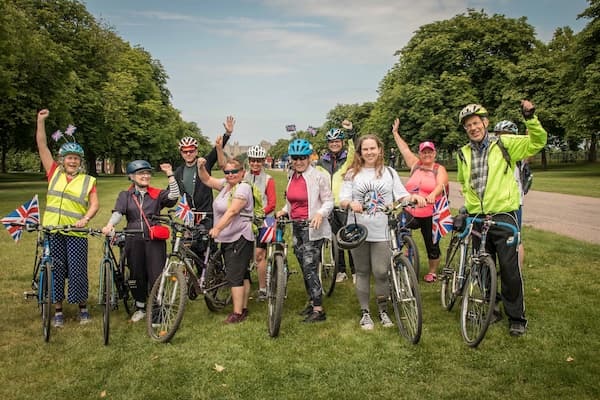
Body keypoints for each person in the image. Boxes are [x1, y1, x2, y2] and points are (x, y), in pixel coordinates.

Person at [457, 100, 547, 337]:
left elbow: (538, 142)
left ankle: (516, 317)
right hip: (477, 217)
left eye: (476, 123)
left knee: (509, 269)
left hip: (504, 214)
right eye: (468, 125)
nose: (473, 128)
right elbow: (466, 184)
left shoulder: (504, 143)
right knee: (483, 268)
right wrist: (466, 210)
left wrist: (530, 117)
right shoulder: (463, 153)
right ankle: (491, 309)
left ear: (485, 123)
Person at [339, 134, 426, 330]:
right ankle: (365, 312)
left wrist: (412, 198)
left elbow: (401, 195)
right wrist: (351, 203)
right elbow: (342, 199)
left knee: (380, 272)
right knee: (361, 272)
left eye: (373, 148)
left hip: (382, 230)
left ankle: (383, 309)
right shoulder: (352, 174)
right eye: (365, 149)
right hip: (358, 231)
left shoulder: (390, 173)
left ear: (379, 150)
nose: (369, 152)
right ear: (360, 152)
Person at [35, 109, 99, 327]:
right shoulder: (54, 172)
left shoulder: (88, 180)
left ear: (80, 162)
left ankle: (82, 308)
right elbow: (42, 146)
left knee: (78, 270)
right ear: (62, 160)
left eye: (76, 159)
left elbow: (95, 204)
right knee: (56, 270)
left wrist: (86, 219)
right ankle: (58, 311)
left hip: (76, 231)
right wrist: (40, 121)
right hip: (53, 230)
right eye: (69, 158)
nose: (73, 162)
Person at [101, 160, 179, 322]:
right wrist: (109, 225)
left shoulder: (157, 194)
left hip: (154, 239)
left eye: (147, 173)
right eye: (141, 173)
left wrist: (170, 175)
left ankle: (157, 310)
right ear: (132, 176)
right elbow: (118, 212)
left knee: (156, 273)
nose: (145, 176)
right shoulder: (125, 195)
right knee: (136, 274)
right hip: (133, 238)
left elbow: (174, 196)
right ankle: (141, 306)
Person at [277, 138, 333, 323]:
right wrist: (284, 210)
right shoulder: (292, 175)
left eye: (302, 158)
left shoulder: (318, 176)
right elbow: (290, 200)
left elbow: (329, 201)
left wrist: (320, 213)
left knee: (310, 266)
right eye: (295, 158)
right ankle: (311, 302)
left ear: (309, 158)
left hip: (312, 227)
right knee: (303, 266)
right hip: (296, 226)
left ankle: (319, 309)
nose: (298, 161)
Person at [197, 156, 254, 323]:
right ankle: (243, 308)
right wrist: (201, 167)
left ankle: (237, 313)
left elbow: (232, 211)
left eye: (234, 172)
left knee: (235, 276)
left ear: (242, 173)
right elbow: (207, 179)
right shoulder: (226, 185)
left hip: (239, 236)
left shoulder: (242, 188)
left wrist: (217, 229)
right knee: (242, 274)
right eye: (227, 172)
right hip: (229, 237)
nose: (230, 175)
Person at [391, 119, 450, 283]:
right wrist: (395, 133)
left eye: (430, 152)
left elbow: (442, 183)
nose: (427, 154)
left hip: (429, 211)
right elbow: (404, 149)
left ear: (434, 153)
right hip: (410, 210)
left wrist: (432, 195)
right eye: (424, 152)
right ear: (420, 153)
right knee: (396, 230)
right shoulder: (415, 165)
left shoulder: (439, 169)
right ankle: (400, 259)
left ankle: (432, 271)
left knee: (431, 244)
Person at [173, 116, 234, 255]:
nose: (188, 153)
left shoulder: (203, 163)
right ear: (181, 153)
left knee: (207, 248)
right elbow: (171, 192)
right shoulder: (179, 172)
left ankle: (214, 272)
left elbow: (216, 150)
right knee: (190, 247)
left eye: (191, 150)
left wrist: (227, 134)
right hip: (189, 215)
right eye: (185, 151)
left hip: (207, 213)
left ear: (196, 151)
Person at [315, 120, 357, 284]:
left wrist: (351, 133)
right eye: (332, 142)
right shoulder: (321, 162)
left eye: (337, 141)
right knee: (335, 241)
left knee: (350, 240)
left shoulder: (348, 158)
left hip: (345, 204)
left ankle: (355, 271)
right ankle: (340, 270)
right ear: (328, 144)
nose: (334, 144)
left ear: (342, 143)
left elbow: (354, 150)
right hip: (329, 205)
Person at [493, 120, 529, 268]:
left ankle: (516, 270)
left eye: (506, 135)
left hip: (512, 204)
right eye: (500, 135)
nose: (503, 138)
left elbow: (529, 152)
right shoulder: (494, 152)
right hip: (495, 203)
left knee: (515, 238)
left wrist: (529, 134)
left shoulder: (516, 153)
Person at [244, 145, 277, 301]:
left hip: (266, 219)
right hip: (247, 219)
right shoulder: (244, 177)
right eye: (253, 161)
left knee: (259, 254)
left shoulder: (268, 179)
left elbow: (272, 203)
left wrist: (260, 213)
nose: (255, 164)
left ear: (263, 162)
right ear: (249, 161)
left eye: (258, 161)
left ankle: (263, 288)